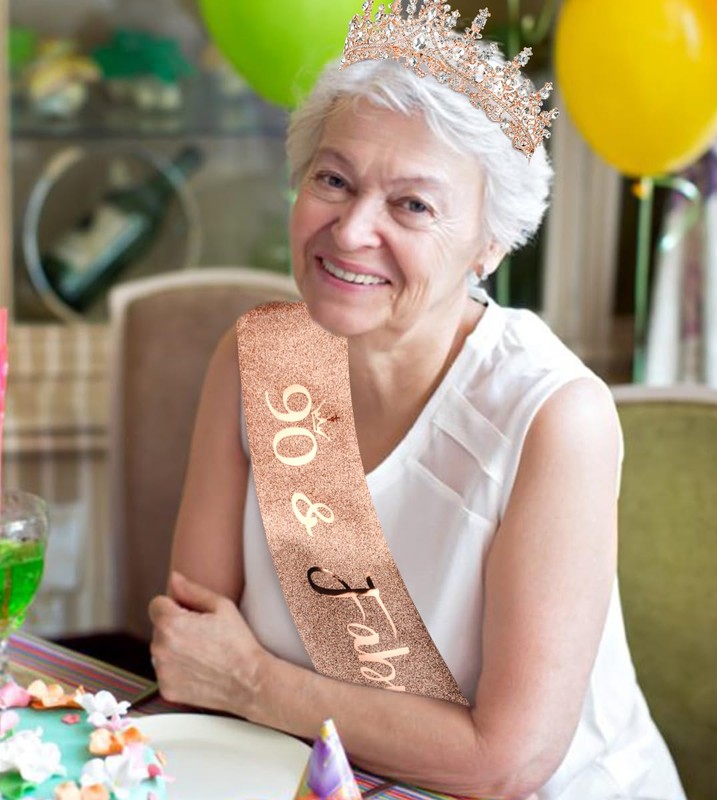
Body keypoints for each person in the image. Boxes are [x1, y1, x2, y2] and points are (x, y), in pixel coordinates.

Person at [148, 3, 686, 798]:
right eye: (334, 180)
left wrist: (255, 683)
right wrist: (232, 684)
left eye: (413, 205)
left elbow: (504, 763)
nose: (353, 228)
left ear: (489, 244)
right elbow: (196, 661)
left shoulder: (553, 417)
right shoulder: (255, 361)